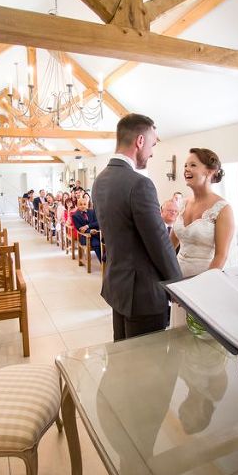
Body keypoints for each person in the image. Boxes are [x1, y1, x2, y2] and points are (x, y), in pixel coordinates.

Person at [93, 113, 182, 341]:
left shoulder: (100, 179)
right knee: (149, 367)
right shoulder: (140, 184)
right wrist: (178, 286)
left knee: (123, 358)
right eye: (152, 144)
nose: (152, 152)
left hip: (118, 286)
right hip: (144, 295)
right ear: (140, 141)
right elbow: (159, 242)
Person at [169, 148, 235, 333]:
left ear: (209, 171)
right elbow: (170, 245)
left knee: (198, 336)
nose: (186, 169)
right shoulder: (184, 203)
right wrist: (169, 280)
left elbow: (221, 256)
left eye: (193, 165)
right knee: (178, 334)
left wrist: (199, 290)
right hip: (179, 279)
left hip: (205, 281)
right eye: (185, 165)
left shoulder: (223, 209)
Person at [72, 197, 102, 262]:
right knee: (96, 244)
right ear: (77, 205)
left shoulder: (92, 212)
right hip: (85, 236)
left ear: (87, 205)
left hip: (97, 234)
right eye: (81, 204)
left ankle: (109, 261)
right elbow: (79, 228)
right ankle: (103, 264)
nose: (83, 206)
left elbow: (98, 223)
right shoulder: (75, 215)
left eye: (84, 204)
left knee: (107, 243)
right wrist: (90, 231)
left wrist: (87, 226)